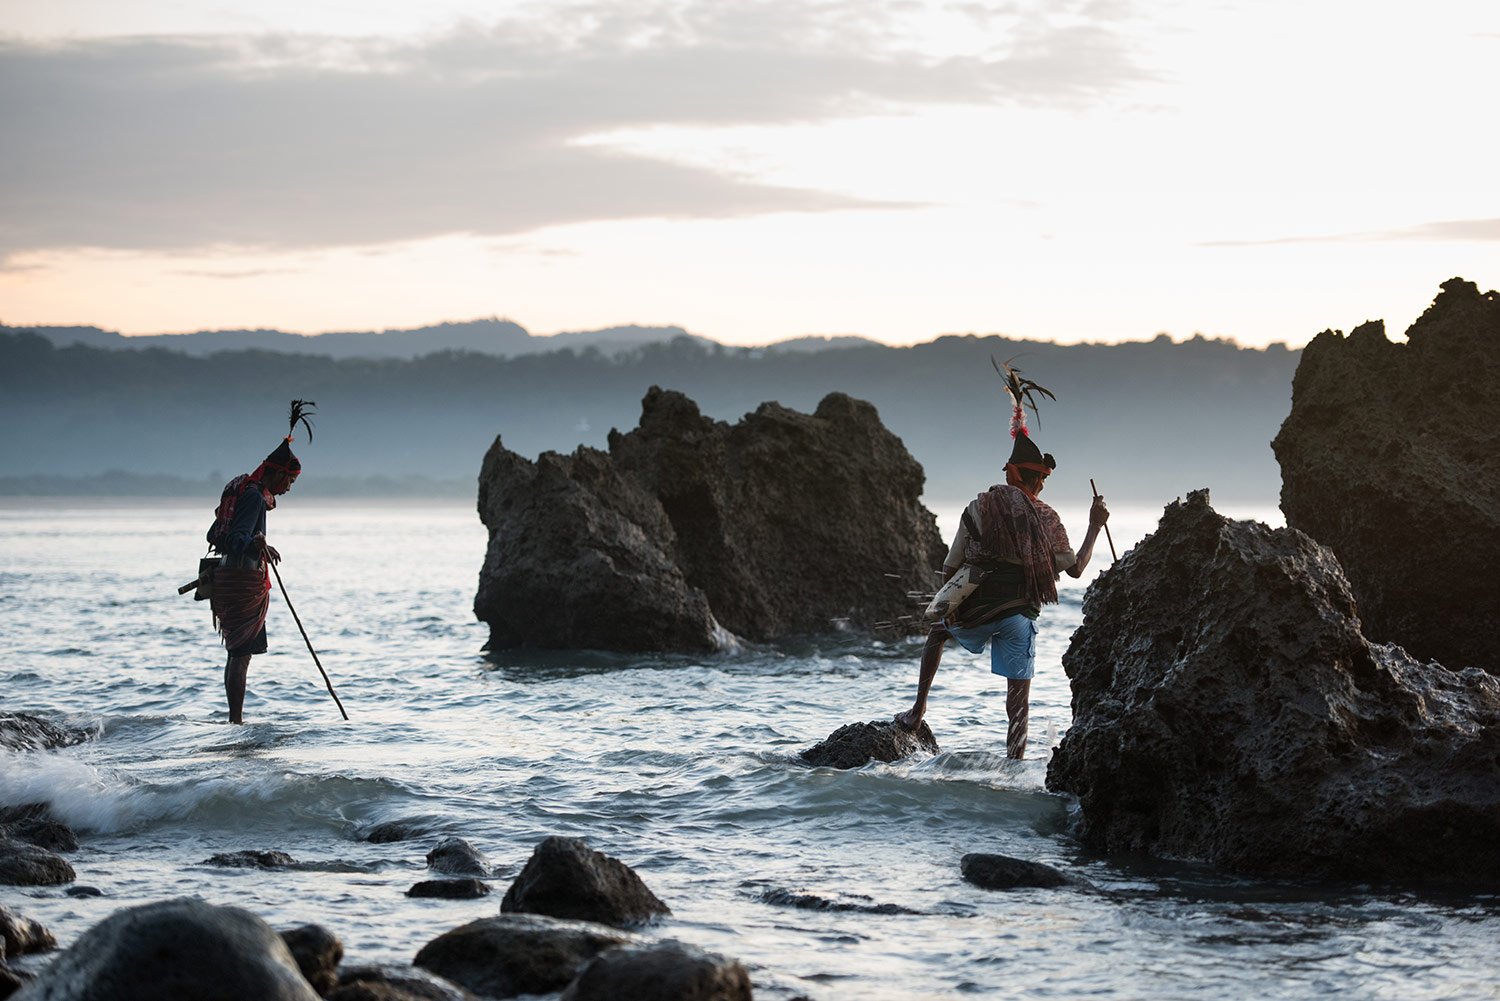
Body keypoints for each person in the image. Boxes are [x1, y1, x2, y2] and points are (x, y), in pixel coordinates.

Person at [894, 372, 1107, 759]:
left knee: (937, 633)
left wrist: (952, 606)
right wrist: (1094, 525)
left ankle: (917, 711)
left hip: (975, 606)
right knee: (1018, 701)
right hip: (1018, 616)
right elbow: (1074, 569)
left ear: (1010, 474)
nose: (1042, 487)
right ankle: (1015, 762)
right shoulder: (1048, 517)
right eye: (1041, 480)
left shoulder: (979, 507)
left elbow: (950, 566)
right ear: (1037, 479)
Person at [208, 401, 313, 724]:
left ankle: (234, 721)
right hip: (241, 582)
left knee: (237, 653)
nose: (288, 489)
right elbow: (236, 537)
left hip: (230, 578)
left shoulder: (243, 489)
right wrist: (256, 541)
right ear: (277, 473)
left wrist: (255, 541)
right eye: (289, 481)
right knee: (240, 655)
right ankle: (236, 722)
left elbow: (216, 533)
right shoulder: (253, 495)